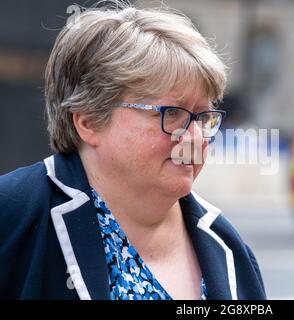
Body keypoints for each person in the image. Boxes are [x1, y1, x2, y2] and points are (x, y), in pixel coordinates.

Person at [0, 2, 266, 300]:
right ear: (89, 121)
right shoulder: (12, 216)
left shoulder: (228, 248)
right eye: (171, 114)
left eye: (202, 117)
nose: (194, 138)